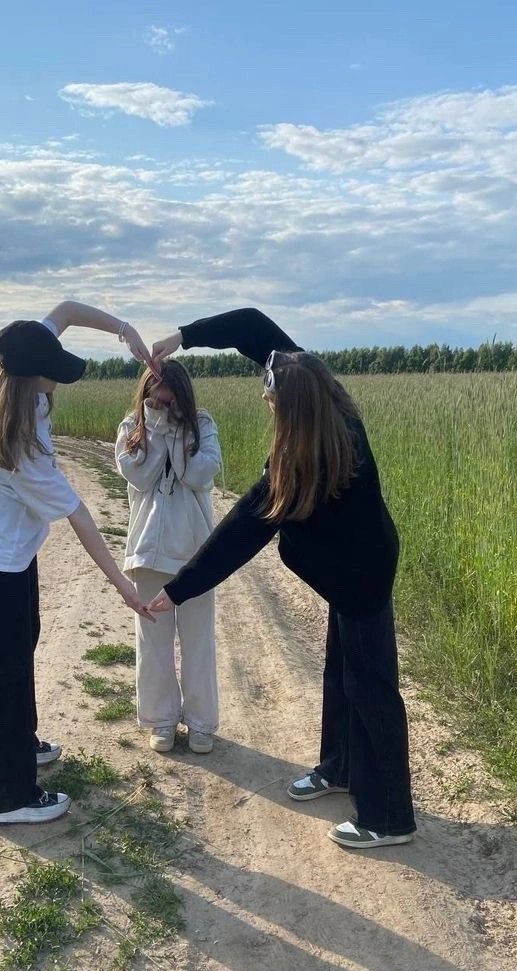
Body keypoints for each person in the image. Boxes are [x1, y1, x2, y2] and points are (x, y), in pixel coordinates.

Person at [147, 308, 416, 849]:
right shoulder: (327, 397)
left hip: (362, 578)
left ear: (292, 409)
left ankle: (389, 817)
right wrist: (183, 338)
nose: (265, 402)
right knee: (342, 674)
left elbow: (239, 534)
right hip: (350, 572)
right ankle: (340, 769)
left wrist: (176, 589)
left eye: (270, 402)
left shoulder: (299, 462)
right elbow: (253, 326)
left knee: (372, 687)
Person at [0, 301, 155, 825]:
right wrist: (124, 589)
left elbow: (66, 310)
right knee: (1, 671)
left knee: (24, 640)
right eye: (55, 376)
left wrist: (124, 330)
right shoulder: (18, 447)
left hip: (11, 547)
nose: (60, 383)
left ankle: (21, 743)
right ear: (30, 381)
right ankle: (7, 796)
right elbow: (81, 519)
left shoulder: (22, 366)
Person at [115, 360, 222, 754]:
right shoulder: (132, 428)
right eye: (154, 391)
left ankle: (200, 724)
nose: (161, 398)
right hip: (147, 552)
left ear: (181, 390)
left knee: (198, 641)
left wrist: (176, 431)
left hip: (196, 554)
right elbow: (139, 476)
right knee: (153, 642)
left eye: (167, 390)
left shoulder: (203, 425)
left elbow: (198, 474)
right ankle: (160, 720)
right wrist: (156, 427)